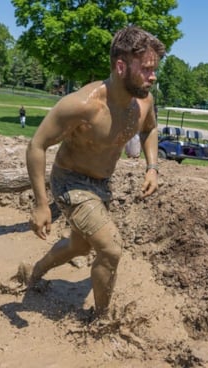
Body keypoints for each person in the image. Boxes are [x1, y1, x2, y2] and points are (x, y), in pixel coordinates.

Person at [20, 25, 165, 318]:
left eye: (154, 69)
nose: (153, 76)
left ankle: (35, 272)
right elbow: (37, 145)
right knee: (110, 249)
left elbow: (149, 129)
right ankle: (101, 319)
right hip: (70, 182)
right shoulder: (82, 105)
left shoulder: (144, 100)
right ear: (121, 66)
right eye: (147, 69)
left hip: (102, 183)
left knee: (79, 246)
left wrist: (152, 168)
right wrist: (41, 204)